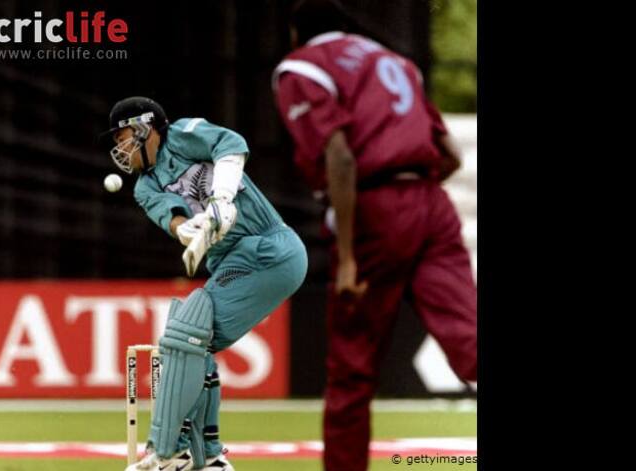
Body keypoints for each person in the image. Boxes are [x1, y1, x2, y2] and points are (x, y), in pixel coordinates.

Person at [271, 1, 477, 470]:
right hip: (431, 202)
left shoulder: (303, 67)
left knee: (352, 369)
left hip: (374, 209)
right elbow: (449, 156)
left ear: (295, 33)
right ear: (346, 28)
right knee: (470, 343)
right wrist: (415, 193)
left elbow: (339, 158)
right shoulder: (395, 62)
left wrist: (346, 258)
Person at [99, 96, 308, 471]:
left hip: (270, 249)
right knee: (189, 339)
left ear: (146, 127)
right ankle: (206, 456)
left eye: (123, 135)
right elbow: (175, 223)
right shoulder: (144, 189)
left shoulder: (182, 134)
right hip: (232, 261)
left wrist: (223, 199)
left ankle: (169, 452)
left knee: (188, 333)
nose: (120, 147)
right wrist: (190, 228)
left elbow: (232, 144)